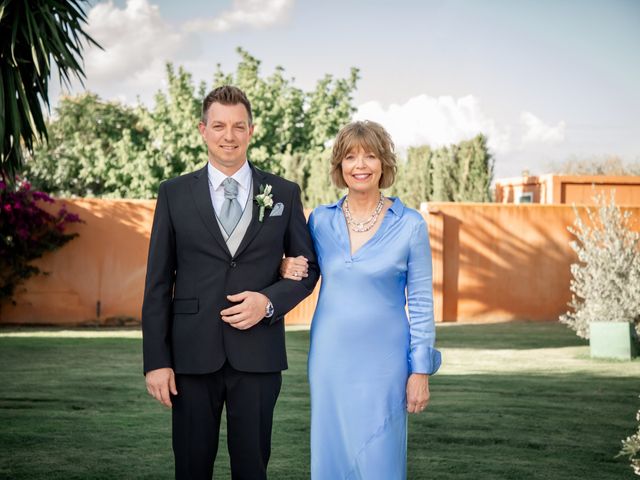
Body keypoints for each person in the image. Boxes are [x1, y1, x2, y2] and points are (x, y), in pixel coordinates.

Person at [142, 85, 319, 480]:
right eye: (219, 126)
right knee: (190, 467)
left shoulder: (284, 194)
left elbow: (307, 269)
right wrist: (156, 361)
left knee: (252, 469)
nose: (229, 135)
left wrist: (268, 302)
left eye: (239, 126)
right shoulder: (173, 193)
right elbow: (157, 283)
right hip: (191, 355)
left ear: (251, 131)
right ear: (202, 129)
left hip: (257, 356)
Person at [281, 120, 442, 479]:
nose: (360, 165)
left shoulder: (411, 225)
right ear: (339, 167)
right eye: (351, 157)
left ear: (384, 164)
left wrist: (420, 370)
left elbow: (420, 303)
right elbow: (301, 270)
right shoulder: (320, 222)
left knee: (379, 458)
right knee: (332, 453)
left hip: (385, 363)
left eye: (370, 155)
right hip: (330, 360)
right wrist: (282, 264)